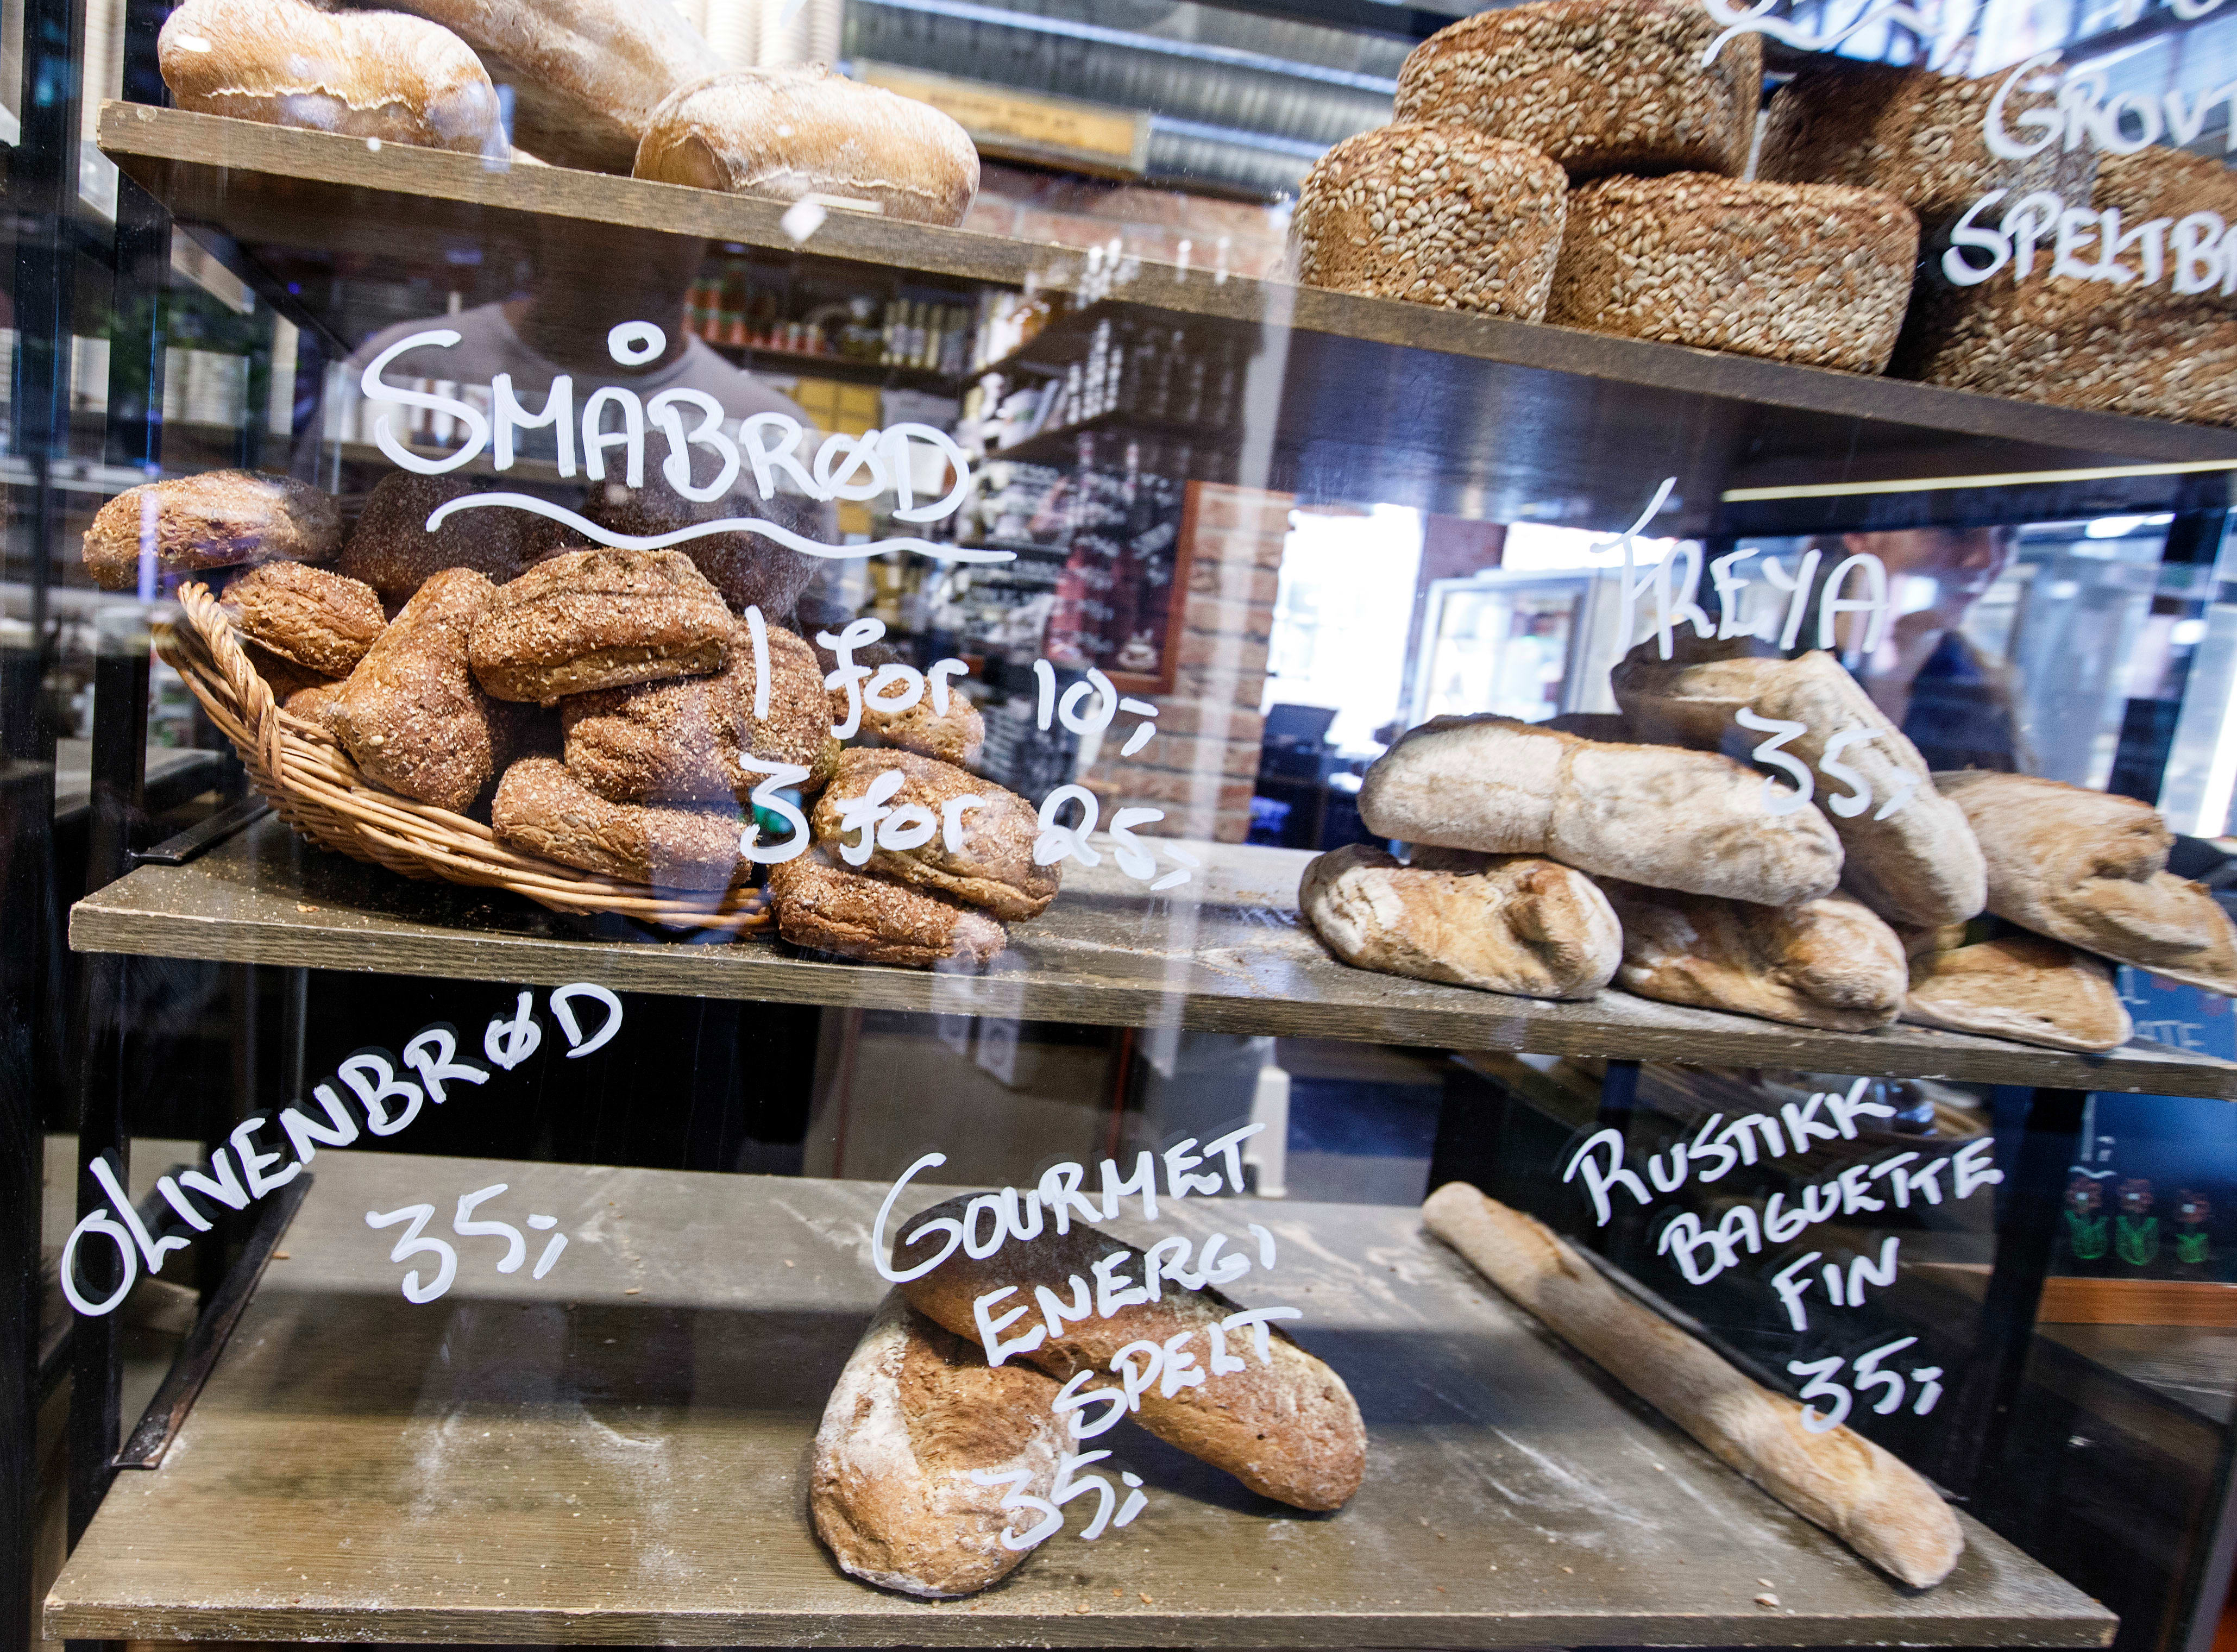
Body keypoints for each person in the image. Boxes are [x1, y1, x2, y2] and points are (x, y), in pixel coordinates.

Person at [1809, 525, 2027, 774]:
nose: (1987, 560)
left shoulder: (1988, 691)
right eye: (1956, 530)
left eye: (2007, 536)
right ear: (1860, 534)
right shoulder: (1788, 670)